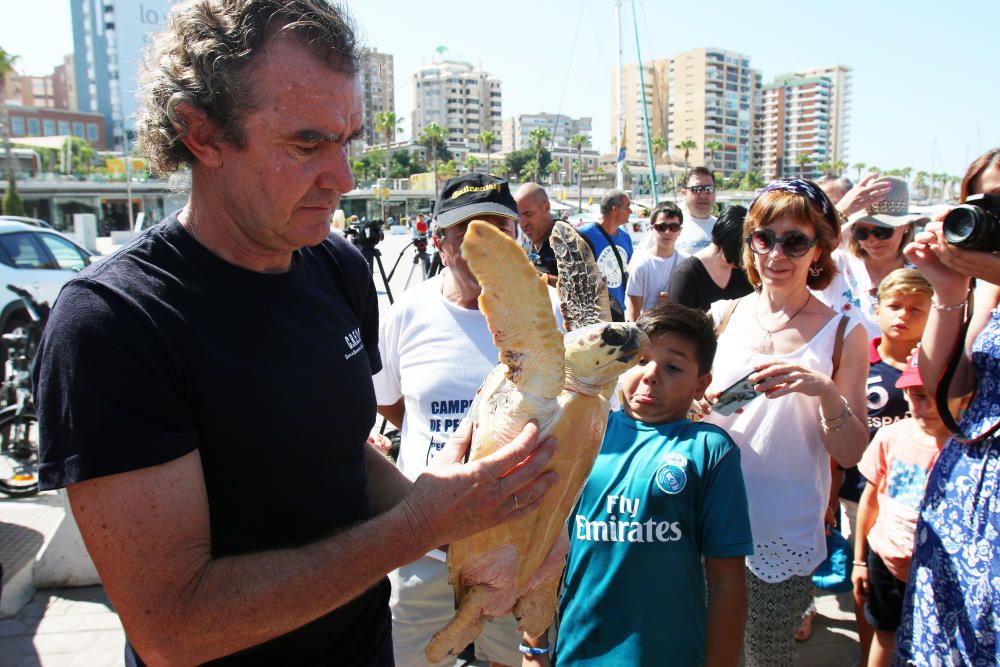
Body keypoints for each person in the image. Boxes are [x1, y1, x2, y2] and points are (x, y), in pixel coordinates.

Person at [30, 3, 557, 664]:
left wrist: (474, 516)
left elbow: (337, 453)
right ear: (201, 132)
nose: (343, 178)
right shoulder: (113, 324)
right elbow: (173, 628)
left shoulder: (337, 269)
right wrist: (422, 523)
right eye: (307, 144)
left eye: (347, 140)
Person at [374, 173, 560, 666]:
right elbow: (393, 405)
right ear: (439, 240)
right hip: (422, 545)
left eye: (498, 228)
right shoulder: (406, 314)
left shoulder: (549, 313)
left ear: (518, 235)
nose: (486, 244)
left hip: (514, 542)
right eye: (468, 232)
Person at [700, 178, 869, 665]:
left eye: (795, 240)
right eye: (765, 238)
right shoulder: (722, 316)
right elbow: (685, 413)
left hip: (782, 525)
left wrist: (823, 390)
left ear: (819, 250)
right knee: (703, 647)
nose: (778, 252)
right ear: (750, 243)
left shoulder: (844, 331)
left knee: (765, 656)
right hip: (707, 513)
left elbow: (852, 452)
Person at [547, 304, 751, 666]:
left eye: (673, 367)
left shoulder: (710, 450)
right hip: (578, 652)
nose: (651, 375)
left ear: (701, 383)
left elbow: (727, 581)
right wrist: (533, 645)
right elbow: (545, 549)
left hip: (670, 654)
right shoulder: (585, 431)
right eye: (641, 360)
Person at [895, 147, 1000, 664]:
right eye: (983, 203)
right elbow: (948, 391)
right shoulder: (986, 287)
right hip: (967, 495)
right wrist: (949, 288)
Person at [832, 268, 933, 658]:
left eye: (916, 309)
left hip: (915, 497)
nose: (903, 315)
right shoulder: (861, 359)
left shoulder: (937, 365)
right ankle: (866, 649)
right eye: (894, 306)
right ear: (877, 308)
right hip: (861, 492)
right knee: (868, 583)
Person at [853, 355, 965, 667]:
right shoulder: (891, 437)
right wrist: (859, 560)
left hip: (940, 571)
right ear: (904, 394)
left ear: (963, 396)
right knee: (885, 636)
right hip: (887, 561)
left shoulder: (967, 448)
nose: (927, 406)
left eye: (938, 395)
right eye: (917, 394)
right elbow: (871, 501)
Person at [816, 176, 927, 339]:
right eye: (861, 232)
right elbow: (800, 248)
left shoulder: (925, 275)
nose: (872, 240)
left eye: (882, 231)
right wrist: (840, 212)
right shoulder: (838, 264)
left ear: (906, 227)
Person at [667, 205, 753, 312]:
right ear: (732, 243)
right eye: (745, 248)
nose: (748, 254)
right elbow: (677, 325)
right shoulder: (685, 276)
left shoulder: (744, 272)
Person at [577, 189, 633, 320]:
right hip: (594, 313)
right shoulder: (583, 235)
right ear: (615, 210)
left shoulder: (626, 238)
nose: (630, 211)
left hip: (618, 310)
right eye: (627, 207)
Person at [625, 201, 686, 321]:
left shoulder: (687, 262)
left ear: (680, 230)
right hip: (649, 332)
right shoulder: (641, 265)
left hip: (679, 330)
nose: (667, 232)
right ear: (651, 229)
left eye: (673, 227)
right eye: (661, 227)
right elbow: (633, 316)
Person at [514, 182, 558, 286]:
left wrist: (539, 277)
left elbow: (583, 291)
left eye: (528, 214)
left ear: (546, 207)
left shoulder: (570, 242)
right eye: (518, 217)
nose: (523, 223)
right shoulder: (525, 247)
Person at [674, 167, 718, 255]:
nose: (703, 196)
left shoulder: (722, 228)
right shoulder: (668, 227)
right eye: (697, 189)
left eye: (709, 189)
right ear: (684, 193)